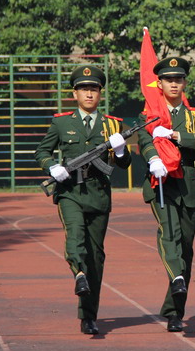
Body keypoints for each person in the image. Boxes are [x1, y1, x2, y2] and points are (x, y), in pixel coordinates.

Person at [35, 65, 130, 335]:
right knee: (75, 237)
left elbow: (124, 165)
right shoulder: (62, 122)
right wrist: (52, 167)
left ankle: (89, 315)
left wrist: (121, 150)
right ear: (74, 93)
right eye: (84, 89)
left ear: (100, 93)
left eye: (94, 89)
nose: (89, 94)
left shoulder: (112, 124)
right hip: (70, 192)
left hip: (99, 195)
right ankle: (78, 273)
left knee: (96, 257)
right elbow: (42, 150)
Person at [136, 57, 195, 333]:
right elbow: (144, 139)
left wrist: (176, 135)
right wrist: (153, 157)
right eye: (168, 79)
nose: (174, 83)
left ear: (184, 83)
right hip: (162, 183)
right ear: (160, 83)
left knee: (186, 250)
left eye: (178, 79)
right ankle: (176, 279)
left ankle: (174, 309)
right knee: (169, 235)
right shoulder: (149, 114)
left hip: (189, 187)